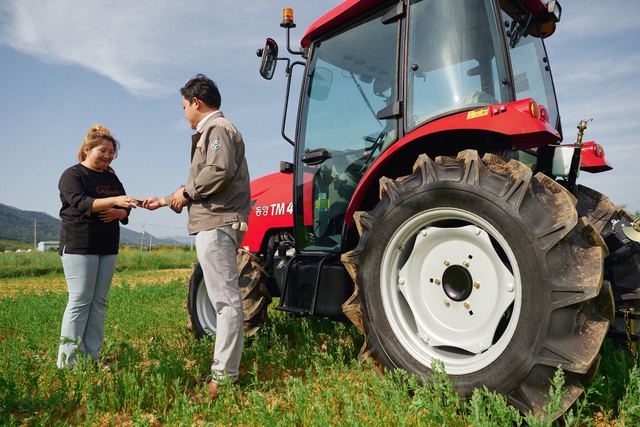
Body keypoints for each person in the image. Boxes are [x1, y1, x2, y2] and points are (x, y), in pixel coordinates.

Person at [142, 74, 251, 399]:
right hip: (215, 220)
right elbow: (206, 179)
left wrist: (186, 193)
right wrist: (169, 199)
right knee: (225, 300)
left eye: (184, 106)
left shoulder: (217, 130)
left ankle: (224, 378)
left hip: (216, 223)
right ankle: (225, 370)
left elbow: (218, 172)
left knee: (226, 303)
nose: (184, 112)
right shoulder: (217, 131)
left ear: (196, 102)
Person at [57, 124, 138, 368]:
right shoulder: (73, 175)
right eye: (102, 151)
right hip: (80, 244)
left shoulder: (111, 177)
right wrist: (114, 201)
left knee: (99, 301)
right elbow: (82, 204)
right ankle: (67, 362)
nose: (107, 156)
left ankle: (91, 357)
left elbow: (126, 208)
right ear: (87, 149)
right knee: (80, 300)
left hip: (107, 245)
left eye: (111, 153)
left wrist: (119, 212)